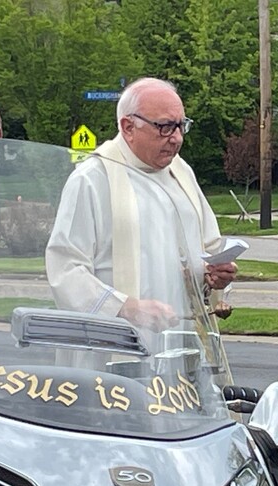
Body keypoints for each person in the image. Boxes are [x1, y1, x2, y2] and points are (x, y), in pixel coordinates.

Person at [46, 77, 237, 333]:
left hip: (180, 338)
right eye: (165, 127)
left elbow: (208, 248)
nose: (177, 138)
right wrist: (125, 308)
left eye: (181, 125)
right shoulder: (92, 179)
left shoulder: (181, 173)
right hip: (115, 341)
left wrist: (213, 276)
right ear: (128, 127)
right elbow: (65, 269)